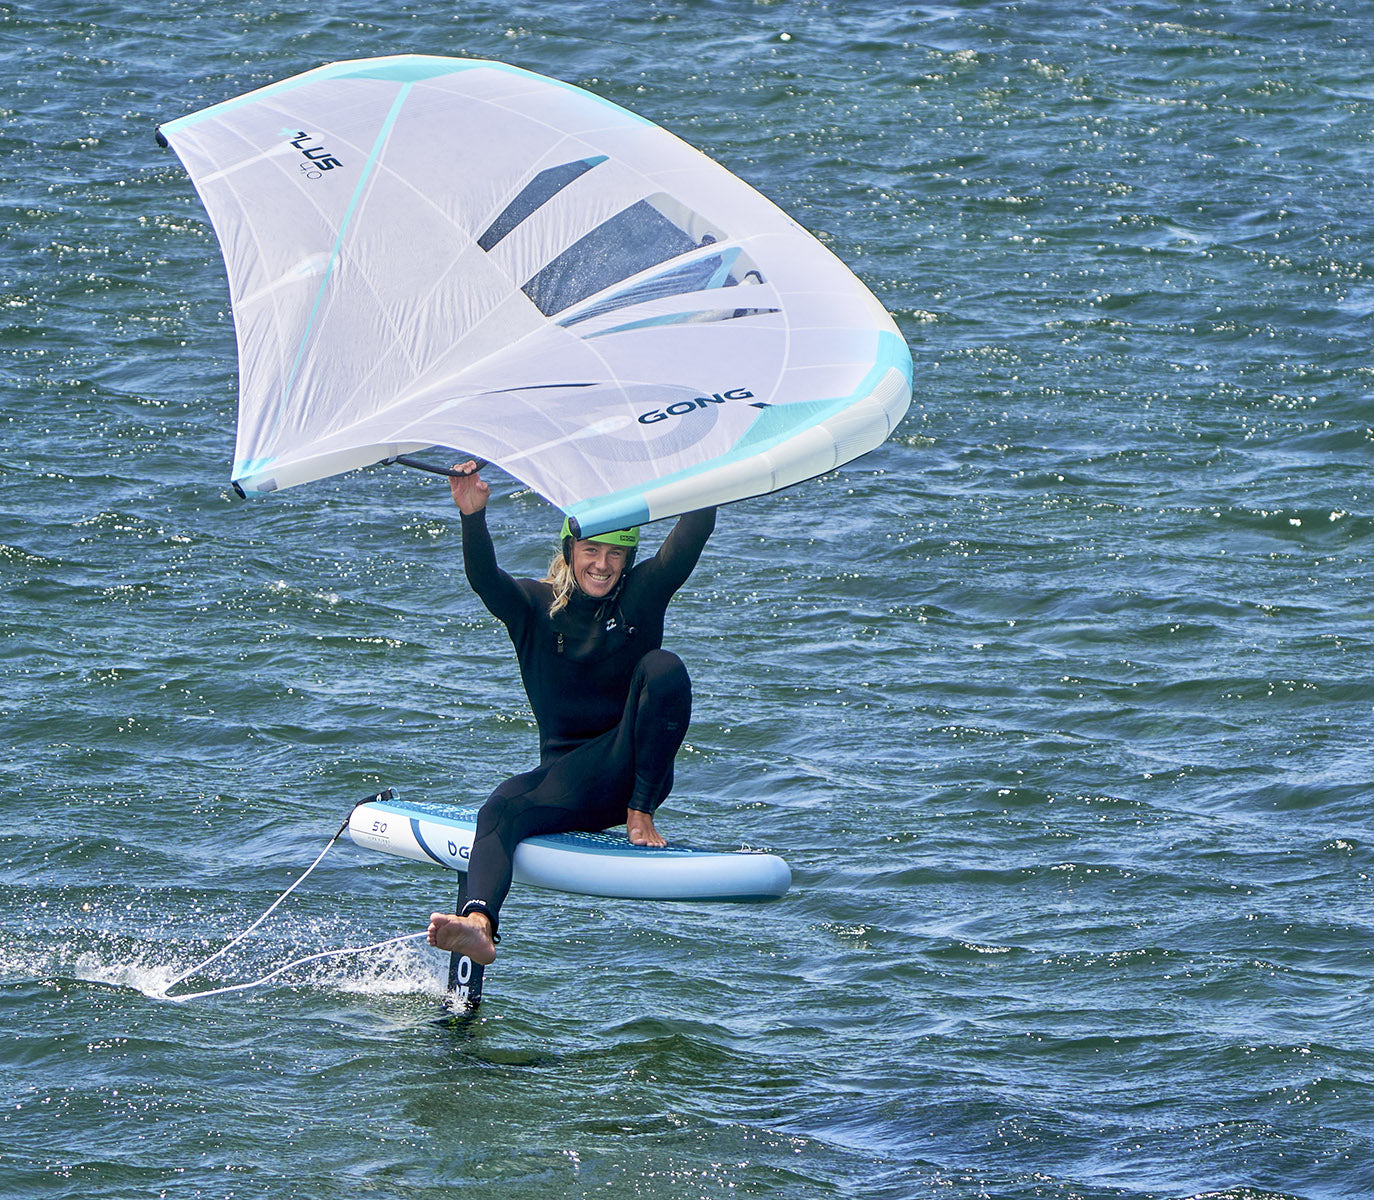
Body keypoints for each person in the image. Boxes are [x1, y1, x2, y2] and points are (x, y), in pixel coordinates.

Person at [427, 461, 717, 965]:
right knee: (499, 809)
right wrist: (472, 515)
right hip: (568, 784)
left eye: (615, 553)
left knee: (664, 667)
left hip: (637, 771)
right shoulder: (534, 609)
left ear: (628, 559)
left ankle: (640, 813)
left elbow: (692, 533)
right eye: (591, 550)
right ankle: (478, 925)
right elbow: (485, 579)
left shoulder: (642, 595)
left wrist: (710, 466)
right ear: (570, 551)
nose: (602, 564)